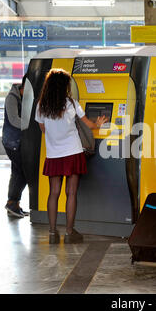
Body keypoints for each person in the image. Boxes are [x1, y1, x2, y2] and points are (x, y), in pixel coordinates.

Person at [35, 68, 107, 244]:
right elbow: (89, 125)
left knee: (54, 193)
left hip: (54, 154)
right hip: (73, 152)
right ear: (64, 86)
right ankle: (69, 232)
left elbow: (43, 130)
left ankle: (52, 233)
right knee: (72, 193)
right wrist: (98, 124)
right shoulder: (72, 104)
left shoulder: (41, 106)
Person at [2, 74, 29, 218]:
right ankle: (12, 202)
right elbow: (14, 120)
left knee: (18, 171)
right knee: (21, 171)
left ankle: (14, 203)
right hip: (12, 142)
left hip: (18, 141)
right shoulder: (12, 98)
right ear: (24, 87)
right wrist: (31, 125)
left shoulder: (23, 97)